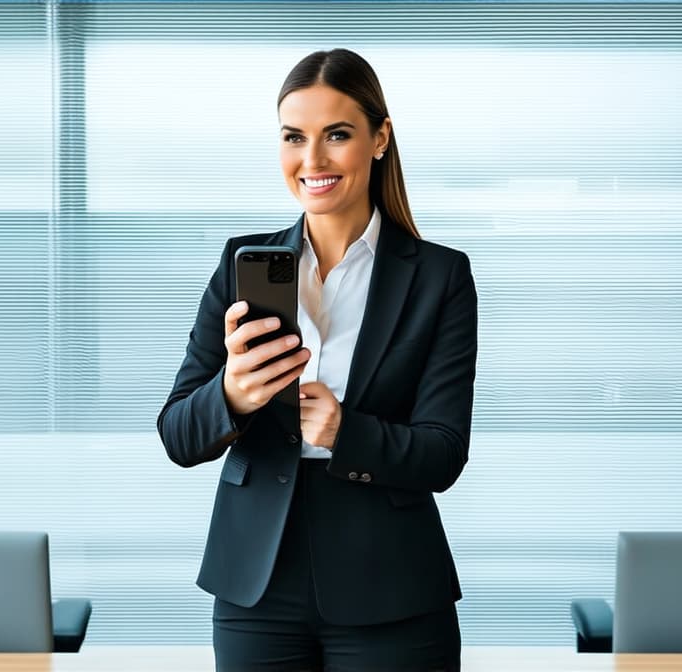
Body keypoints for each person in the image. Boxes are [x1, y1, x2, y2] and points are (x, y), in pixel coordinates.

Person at [158, 48, 478, 671]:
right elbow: (177, 433)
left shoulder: (439, 276)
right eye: (293, 137)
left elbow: (443, 453)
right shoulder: (240, 264)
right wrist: (234, 395)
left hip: (390, 584)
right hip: (256, 584)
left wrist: (343, 432)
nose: (313, 160)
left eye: (337, 135)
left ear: (379, 138)